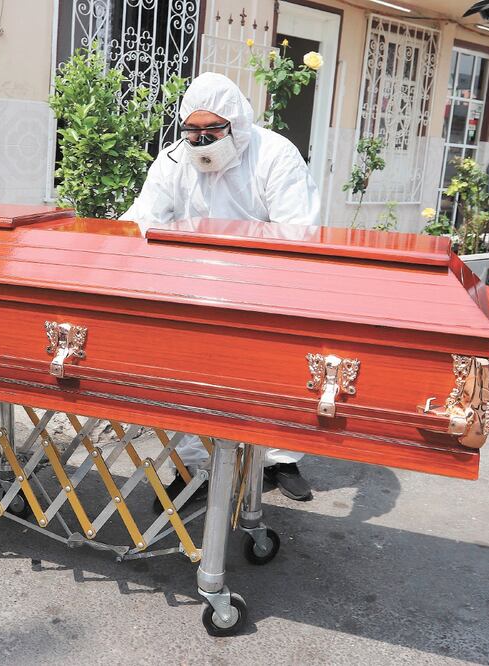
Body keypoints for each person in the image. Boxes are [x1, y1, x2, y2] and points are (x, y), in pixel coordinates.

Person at [121, 72, 320, 502]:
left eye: (212, 131)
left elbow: (297, 231)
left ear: (237, 123)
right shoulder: (175, 159)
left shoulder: (274, 156)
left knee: (270, 376)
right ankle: (195, 470)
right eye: (192, 131)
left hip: (264, 285)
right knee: (191, 380)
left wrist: (246, 263)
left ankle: (280, 461)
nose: (202, 142)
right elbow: (143, 216)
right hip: (198, 287)